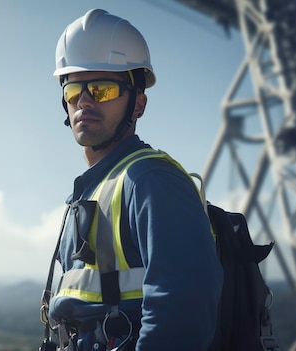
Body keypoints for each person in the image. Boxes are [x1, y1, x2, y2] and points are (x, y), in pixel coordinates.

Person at [45, 8, 223, 351]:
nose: (84, 101)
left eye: (102, 89)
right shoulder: (95, 188)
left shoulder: (151, 180)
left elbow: (181, 318)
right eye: (74, 91)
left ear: (138, 104)